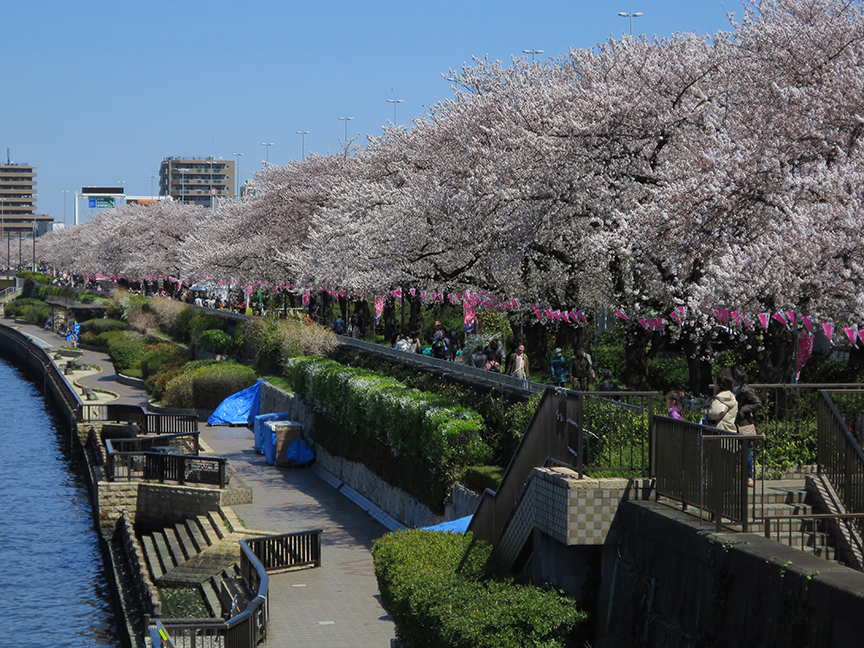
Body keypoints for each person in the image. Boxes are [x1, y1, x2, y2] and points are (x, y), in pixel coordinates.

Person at [733, 366, 761, 487]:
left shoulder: (745, 389)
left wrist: (744, 409)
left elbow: (758, 403)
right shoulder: (731, 389)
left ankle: (749, 476)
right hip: (733, 423)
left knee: (746, 451)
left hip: (744, 424)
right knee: (732, 451)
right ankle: (733, 476)